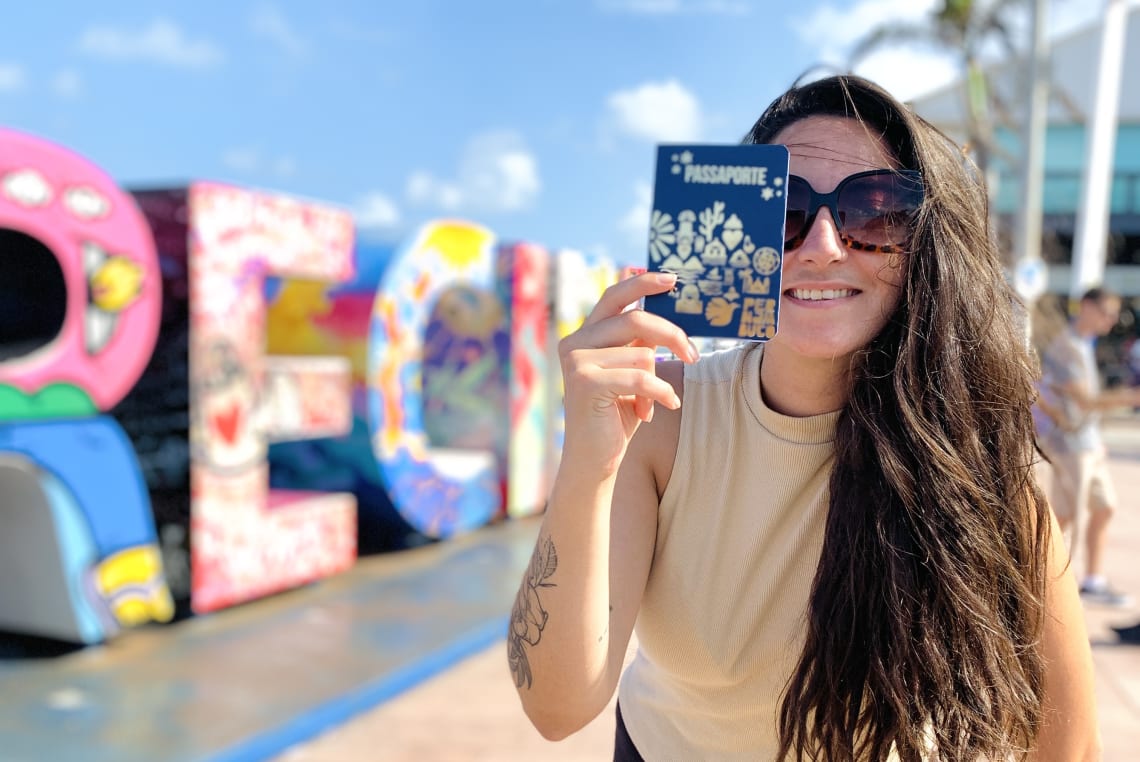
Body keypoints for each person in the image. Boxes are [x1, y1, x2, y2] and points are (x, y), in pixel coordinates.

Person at [508, 74, 1098, 760]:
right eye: (783, 210)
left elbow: (1070, 745)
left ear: (924, 246)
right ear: (738, 229)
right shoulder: (663, 414)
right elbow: (557, 709)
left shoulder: (976, 468)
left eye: (874, 212)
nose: (821, 245)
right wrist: (588, 457)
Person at [1034, 288, 1140, 606]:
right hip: (1070, 445)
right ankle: (1053, 586)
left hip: (1085, 444)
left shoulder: (1081, 344)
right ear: (1088, 307)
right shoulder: (1067, 347)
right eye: (1107, 311)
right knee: (1067, 518)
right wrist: (1130, 398)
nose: (1111, 319)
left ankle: (1088, 580)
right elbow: (1085, 401)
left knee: (1100, 508)